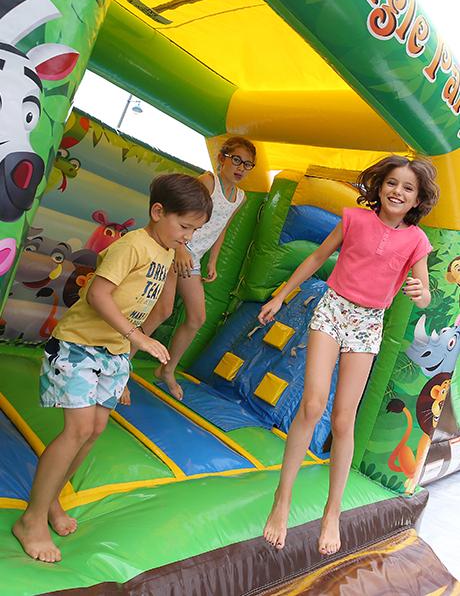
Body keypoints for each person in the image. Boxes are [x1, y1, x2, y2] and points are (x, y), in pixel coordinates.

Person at [13, 173, 212, 563]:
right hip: (80, 345)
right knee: (78, 429)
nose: (188, 236)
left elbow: (163, 306)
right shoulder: (132, 246)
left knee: (95, 430)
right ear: (158, 212)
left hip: (113, 354)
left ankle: (51, 500)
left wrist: (126, 358)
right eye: (184, 227)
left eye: (195, 230)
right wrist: (136, 337)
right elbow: (98, 293)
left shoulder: (167, 250)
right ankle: (32, 520)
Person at [258, 155, 440, 555]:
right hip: (333, 308)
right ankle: (281, 500)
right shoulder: (354, 220)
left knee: (344, 419)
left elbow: (425, 292)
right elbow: (317, 257)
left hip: (368, 323)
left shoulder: (416, 241)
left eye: (408, 188)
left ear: (417, 199)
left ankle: (332, 512)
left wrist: (419, 293)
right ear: (379, 186)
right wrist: (281, 295)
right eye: (392, 183)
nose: (398, 191)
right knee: (312, 404)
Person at [142, 137, 256, 401]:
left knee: (196, 318)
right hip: (173, 249)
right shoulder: (208, 182)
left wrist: (212, 260)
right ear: (222, 158)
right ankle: (120, 369)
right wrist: (180, 249)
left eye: (248, 165)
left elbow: (222, 228)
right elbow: (179, 215)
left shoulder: (240, 197)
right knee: (162, 310)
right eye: (236, 159)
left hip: (194, 258)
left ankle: (167, 369)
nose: (240, 168)